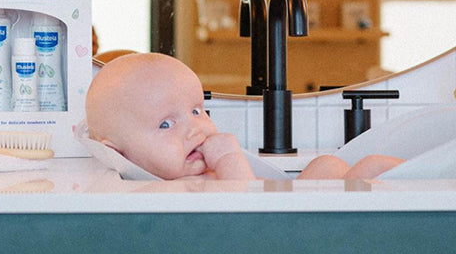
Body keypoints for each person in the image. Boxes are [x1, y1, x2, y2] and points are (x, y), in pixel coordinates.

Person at [85, 53, 404, 181]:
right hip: (280, 229)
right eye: (166, 124)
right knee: (369, 169)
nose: (195, 128)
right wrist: (227, 159)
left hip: (284, 213)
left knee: (329, 166)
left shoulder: (185, 174)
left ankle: (434, 179)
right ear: (116, 151)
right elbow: (243, 209)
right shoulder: (163, 191)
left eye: (196, 111)